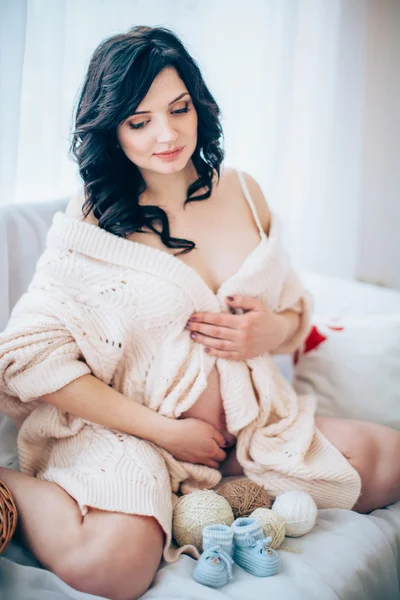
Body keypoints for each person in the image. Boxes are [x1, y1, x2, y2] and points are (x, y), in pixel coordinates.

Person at [0, 25, 399, 600]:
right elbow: (28, 357)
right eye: (139, 122)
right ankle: (9, 483)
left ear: (198, 104)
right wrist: (169, 433)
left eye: (178, 109)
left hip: (246, 433)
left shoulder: (243, 191)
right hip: (136, 432)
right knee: (117, 567)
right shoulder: (95, 218)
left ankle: (217, 485)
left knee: (387, 458)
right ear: (112, 129)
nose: (167, 135)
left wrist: (269, 331)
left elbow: (296, 312)